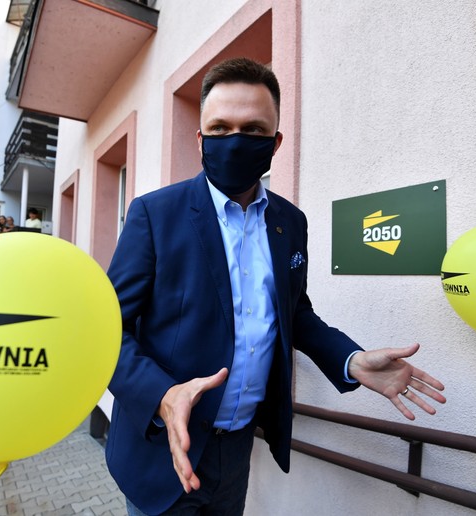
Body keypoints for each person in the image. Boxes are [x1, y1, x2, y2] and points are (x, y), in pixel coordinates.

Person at [105, 57, 446, 516]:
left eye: (252, 129)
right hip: (161, 451)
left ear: (275, 142)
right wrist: (163, 396)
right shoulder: (154, 215)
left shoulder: (289, 221)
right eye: (220, 128)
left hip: (238, 449)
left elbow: (294, 312)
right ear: (200, 138)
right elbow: (106, 332)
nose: (235, 140)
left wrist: (349, 359)